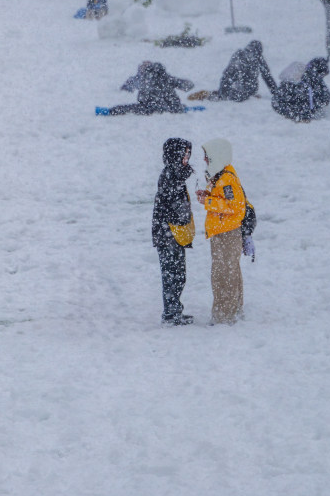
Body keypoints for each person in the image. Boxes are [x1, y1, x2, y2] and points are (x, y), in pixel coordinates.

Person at [196, 139, 245, 325]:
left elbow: (236, 207)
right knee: (229, 271)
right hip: (223, 232)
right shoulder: (221, 176)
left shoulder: (226, 180)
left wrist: (208, 202)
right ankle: (234, 310)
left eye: (207, 157)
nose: (205, 160)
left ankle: (224, 316)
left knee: (223, 275)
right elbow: (226, 201)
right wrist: (209, 196)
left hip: (227, 234)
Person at [152, 138, 195, 325]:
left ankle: (174, 309)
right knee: (172, 274)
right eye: (185, 154)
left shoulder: (177, 174)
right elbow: (174, 207)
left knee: (179, 274)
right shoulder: (170, 175)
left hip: (173, 233)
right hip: (168, 234)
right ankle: (170, 314)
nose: (187, 158)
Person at [188, 40, 277, 102]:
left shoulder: (243, 55)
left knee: (230, 95)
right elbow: (267, 77)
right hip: (243, 89)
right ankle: (212, 95)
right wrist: (276, 93)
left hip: (238, 87)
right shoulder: (255, 57)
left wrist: (223, 90)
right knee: (235, 95)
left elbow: (227, 75)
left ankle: (215, 94)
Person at [101, 62, 194, 115]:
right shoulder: (167, 78)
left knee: (128, 108)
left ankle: (110, 111)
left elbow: (127, 88)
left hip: (152, 108)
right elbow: (188, 85)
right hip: (174, 107)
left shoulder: (144, 79)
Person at [271, 58, 330, 122]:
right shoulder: (313, 78)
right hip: (296, 107)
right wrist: (308, 115)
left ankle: (293, 115)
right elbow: (325, 96)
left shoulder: (298, 71)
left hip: (278, 103)